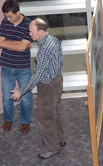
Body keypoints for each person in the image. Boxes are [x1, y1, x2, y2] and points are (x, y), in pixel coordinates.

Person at [10, 18, 66, 159]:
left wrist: (20, 91)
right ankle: (60, 139)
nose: (29, 34)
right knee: (56, 112)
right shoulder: (53, 39)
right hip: (57, 80)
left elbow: (36, 77)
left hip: (48, 87)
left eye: (31, 31)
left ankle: (52, 148)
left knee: (45, 117)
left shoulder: (45, 49)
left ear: (41, 32)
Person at [0, 0, 33, 134]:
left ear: (18, 13)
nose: (7, 19)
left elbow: (22, 47)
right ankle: (9, 119)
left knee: (25, 96)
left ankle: (25, 121)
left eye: (10, 16)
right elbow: (16, 45)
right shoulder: (5, 22)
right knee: (6, 97)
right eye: (5, 16)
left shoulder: (28, 24)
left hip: (23, 67)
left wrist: (11, 43)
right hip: (6, 66)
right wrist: (18, 43)